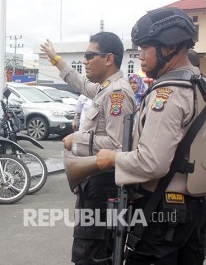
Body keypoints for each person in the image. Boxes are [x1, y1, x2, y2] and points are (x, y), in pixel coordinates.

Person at [96, 7, 206, 264]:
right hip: (197, 211)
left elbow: (152, 162)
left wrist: (113, 158)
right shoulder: (205, 88)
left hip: (162, 213)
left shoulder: (168, 94)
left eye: (146, 48)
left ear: (170, 48)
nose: (141, 56)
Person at [41, 32, 136, 264]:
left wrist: (78, 139)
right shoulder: (106, 88)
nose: (84, 60)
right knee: (87, 249)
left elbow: (118, 144)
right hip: (95, 180)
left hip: (104, 185)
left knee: (91, 254)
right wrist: (56, 60)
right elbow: (80, 83)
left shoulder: (117, 93)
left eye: (89, 55)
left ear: (108, 58)